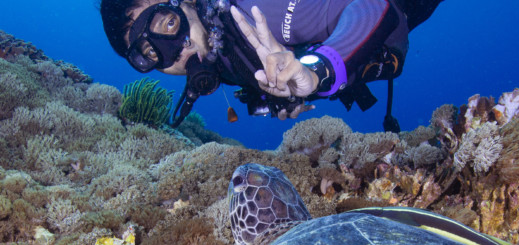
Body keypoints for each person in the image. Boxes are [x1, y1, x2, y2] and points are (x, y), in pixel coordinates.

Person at [99, 0, 444, 129]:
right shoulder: (223, 55)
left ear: (186, 2)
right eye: (151, 53)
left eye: (168, 25)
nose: (177, 51)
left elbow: (372, 6)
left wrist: (316, 70)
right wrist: (283, 96)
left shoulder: (254, 9)